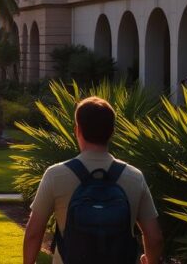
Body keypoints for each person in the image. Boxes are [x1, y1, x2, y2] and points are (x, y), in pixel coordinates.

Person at [22, 96, 164, 264]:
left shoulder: (56, 175)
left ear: (77, 130)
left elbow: (33, 234)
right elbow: (154, 238)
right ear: (112, 131)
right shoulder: (134, 177)